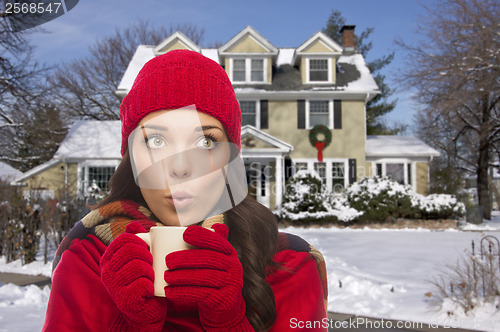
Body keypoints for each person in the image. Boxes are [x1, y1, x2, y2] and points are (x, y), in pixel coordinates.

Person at [43, 49, 328, 331]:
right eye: (156, 141)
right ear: (131, 160)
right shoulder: (87, 259)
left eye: (206, 142)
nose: (179, 168)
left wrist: (229, 323)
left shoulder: (290, 264)